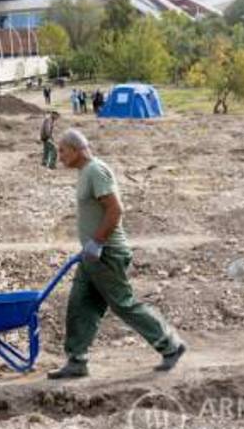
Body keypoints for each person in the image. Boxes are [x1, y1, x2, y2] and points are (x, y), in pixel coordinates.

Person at [48, 129, 185, 379]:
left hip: (106, 253)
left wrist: (97, 243)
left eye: (62, 151)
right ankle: (77, 360)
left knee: (123, 303)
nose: (60, 156)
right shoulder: (85, 173)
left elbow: (115, 210)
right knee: (80, 304)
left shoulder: (95, 171)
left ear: (77, 149)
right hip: (92, 255)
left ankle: (170, 345)